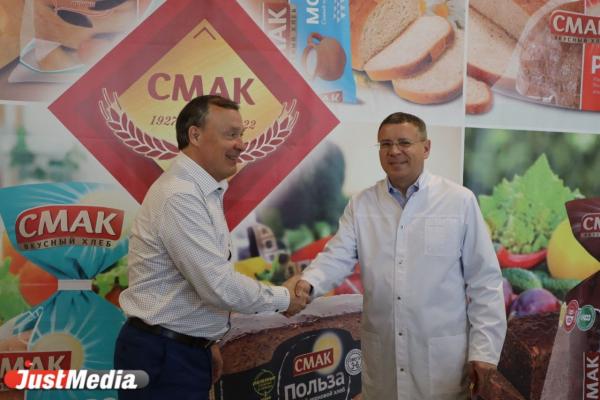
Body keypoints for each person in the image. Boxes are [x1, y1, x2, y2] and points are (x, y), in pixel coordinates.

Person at [295, 112, 507, 400]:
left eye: (404, 142)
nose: (394, 151)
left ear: (426, 148)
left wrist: (484, 352)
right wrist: (308, 282)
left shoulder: (459, 201)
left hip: (442, 361)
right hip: (384, 358)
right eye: (385, 144)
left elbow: (485, 281)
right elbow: (337, 255)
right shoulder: (362, 203)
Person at [115, 95, 308, 399]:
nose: (241, 145)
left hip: (180, 348)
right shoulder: (180, 196)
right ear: (195, 135)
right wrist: (285, 299)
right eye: (231, 135)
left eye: (241, 134)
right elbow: (217, 285)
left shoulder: (202, 190)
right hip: (163, 355)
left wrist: (205, 341)